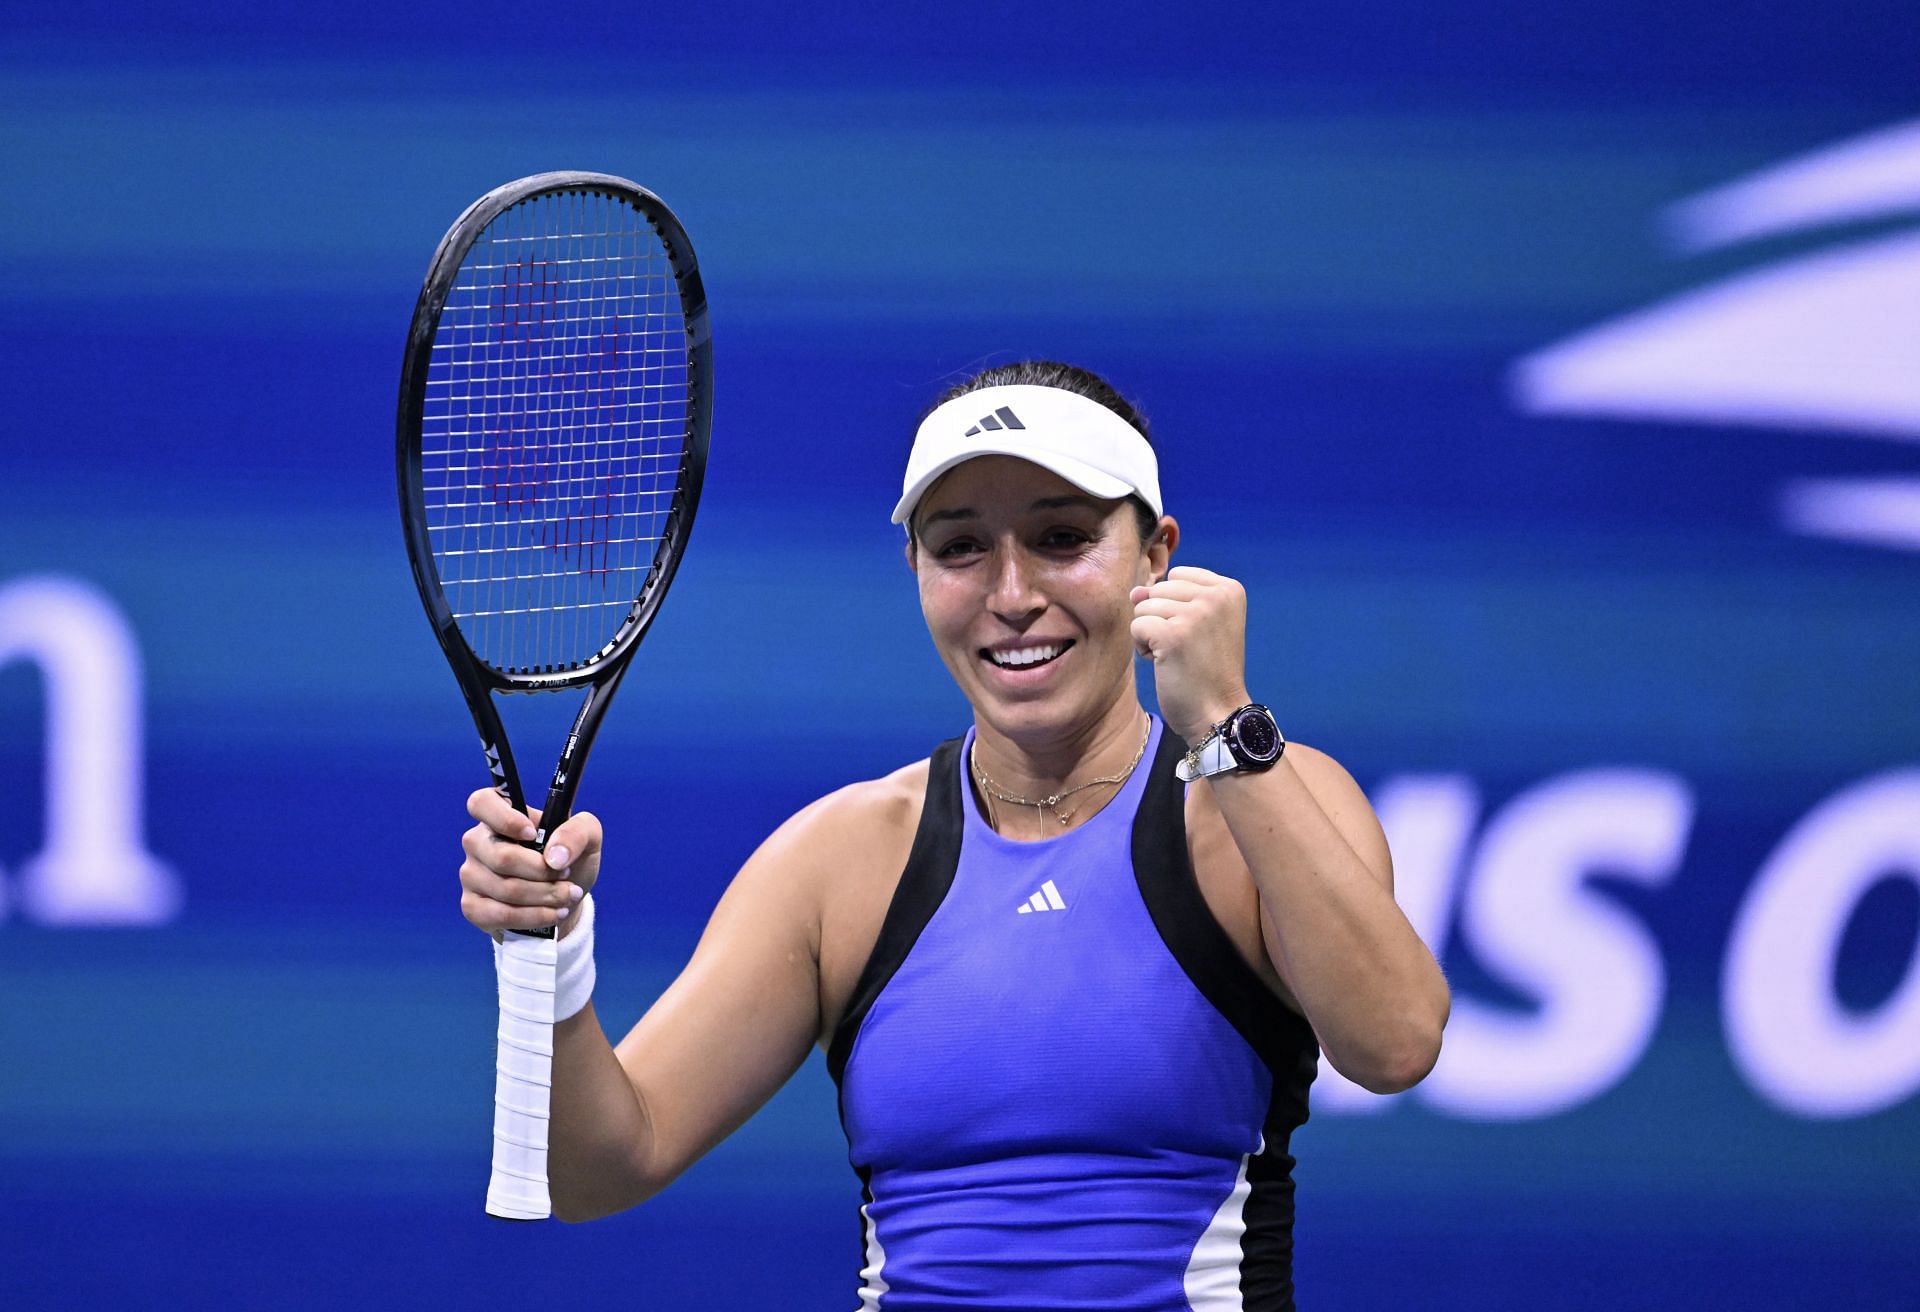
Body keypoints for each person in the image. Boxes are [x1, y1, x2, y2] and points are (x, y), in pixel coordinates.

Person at [457, 360, 1450, 1310]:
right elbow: (597, 1169)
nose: (1011, 594)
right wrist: (552, 951)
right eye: (961, 546)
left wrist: (1227, 726)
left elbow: (1396, 1043)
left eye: (1063, 538)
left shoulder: (1254, 798)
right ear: (916, 569)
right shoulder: (842, 859)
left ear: (1158, 555)